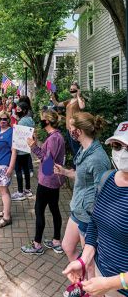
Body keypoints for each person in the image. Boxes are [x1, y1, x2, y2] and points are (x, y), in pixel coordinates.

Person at [63, 121, 128, 297]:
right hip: (102, 276)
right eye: (117, 146)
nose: (122, 153)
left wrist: (110, 283)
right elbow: (95, 222)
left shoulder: (97, 158)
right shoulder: (107, 179)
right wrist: (84, 260)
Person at [54, 112, 111, 280]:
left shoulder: (98, 158)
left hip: (88, 216)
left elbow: (101, 192)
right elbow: (82, 176)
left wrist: (92, 216)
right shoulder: (84, 149)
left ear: (78, 131)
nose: (68, 129)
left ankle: (89, 289)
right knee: (67, 246)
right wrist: (65, 172)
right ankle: (82, 282)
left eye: (71, 127)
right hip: (77, 210)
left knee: (89, 261)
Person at [21, 109, 65, 255]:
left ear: (46, 121)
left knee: (39, 210)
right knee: (54, 209)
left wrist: (33, 146)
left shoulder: (53, 138)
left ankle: (37, 244)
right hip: (54, 180)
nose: (40, 121)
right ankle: (56, 241)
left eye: (41, 119)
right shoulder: (57, 136)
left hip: (47, 179)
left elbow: (47, 161)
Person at [51, 81, 85, 157]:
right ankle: (76, 165)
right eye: (71, 89)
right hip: (68, 128)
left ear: (78, 90)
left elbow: (82, 107)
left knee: (76, 148)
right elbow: (57, 104)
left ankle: (78, 166)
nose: (72, 90)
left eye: (74, 89)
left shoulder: (80, 100)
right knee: (73, 148)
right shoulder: (69, 101)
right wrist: (53, 97)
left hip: (75, 128)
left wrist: (79, 96)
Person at [11, 102, 35, 201]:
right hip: (27, 149)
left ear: (24, 110)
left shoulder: (21, 122)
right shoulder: (30, 119)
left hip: (20, 150)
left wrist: (14, 150)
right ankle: (28, 190)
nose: (17, 111)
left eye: (19, 109)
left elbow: (18, 137)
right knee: (26, 169)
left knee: (18, 170)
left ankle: (20, 192)